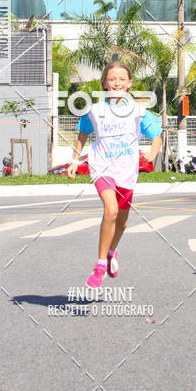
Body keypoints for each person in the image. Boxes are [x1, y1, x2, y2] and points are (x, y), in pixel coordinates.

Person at [67, 62, 162, 287]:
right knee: (110, 210)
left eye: (121, 79)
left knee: (122, 223)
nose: (116, 83)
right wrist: (74, 160)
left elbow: (157, 135)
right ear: (105, 83)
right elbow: (83, 134)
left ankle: (111, 252)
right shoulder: (94, 110)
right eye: (112, 79)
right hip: (101, 167)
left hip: (127, 172)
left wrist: (153, 152)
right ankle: (99, 266)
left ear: (129, 84)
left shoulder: (139, 111)